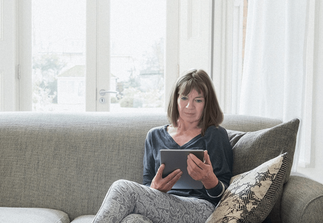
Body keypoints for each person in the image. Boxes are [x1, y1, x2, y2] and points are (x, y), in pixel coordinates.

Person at [93, 69, 233, 223]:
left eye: (198, 100)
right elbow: (147, 184)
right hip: (161, 202)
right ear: (176, 99)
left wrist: (209, 179)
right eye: (184, 98)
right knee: (133, 220)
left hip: (200, 208)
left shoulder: (215, 135)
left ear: (207, 103)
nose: (189, 106)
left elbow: (224, 194)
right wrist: (155, 188)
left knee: (122, 188)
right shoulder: (154, 136)